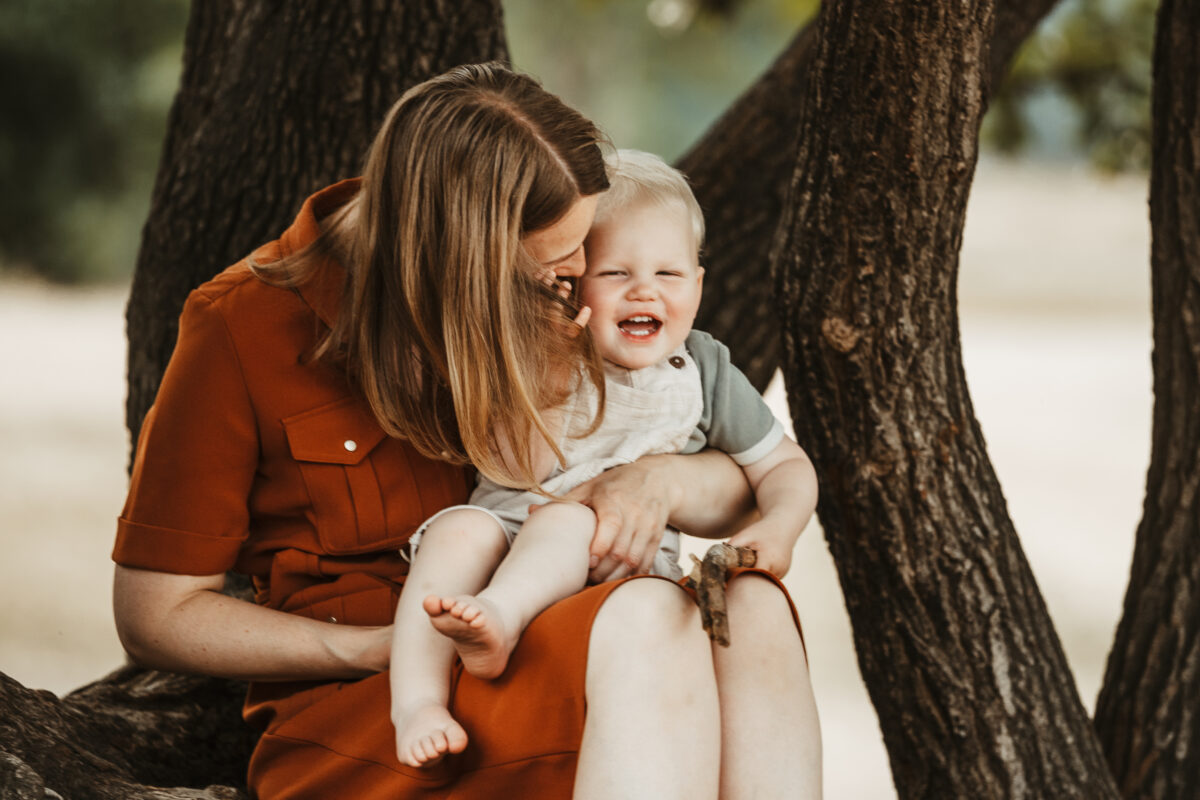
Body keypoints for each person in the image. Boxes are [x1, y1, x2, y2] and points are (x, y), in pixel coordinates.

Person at [111, 63, 822, 799]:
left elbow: (734, 478)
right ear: (462, 254)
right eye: (554, 259)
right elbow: (156, 615)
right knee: (651, 615)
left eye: (582, 246)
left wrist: (657, 480)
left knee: (753, 607)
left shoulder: (559, 290)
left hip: (568, 637)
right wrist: (371, 648)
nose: (579, 273)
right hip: (387, 704)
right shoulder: (239, 328)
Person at [391, 148, 820, 771]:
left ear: (698, 286)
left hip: (624, 573)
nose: (645, 289)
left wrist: (779, 527)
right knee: (455, 532)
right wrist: (547, 369)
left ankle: (500, 619)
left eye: (668, 274)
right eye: (616, 273)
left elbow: (785, 466)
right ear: (568, 283)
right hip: (502, 549)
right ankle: (417, 702)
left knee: (572, 519)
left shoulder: (701, 370)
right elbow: (516, 466)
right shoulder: (534, 350)